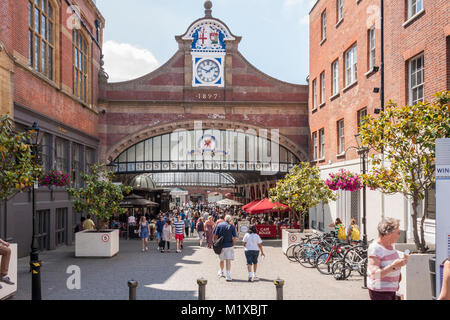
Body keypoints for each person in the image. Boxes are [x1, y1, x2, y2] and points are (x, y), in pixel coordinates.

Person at [367, 218, 408, 300]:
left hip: (390, 290)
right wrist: (393, 266)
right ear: (388, 234)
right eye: (398, 232)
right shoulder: (376, 248)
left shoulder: (390, 247)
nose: (399, 235)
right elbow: (375, 274)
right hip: (380, 292)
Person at [214, 215, 238, 282]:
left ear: (224, 219)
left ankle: (221, 271)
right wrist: (233, 244)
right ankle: (228, 274)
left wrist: (215, 243)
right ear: (230, 220)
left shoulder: (219, 225)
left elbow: (215, 235)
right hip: (229, 245)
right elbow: (235, 237)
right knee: (228, 260)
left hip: (221, 245)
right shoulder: (232, 226)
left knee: (221, 260)